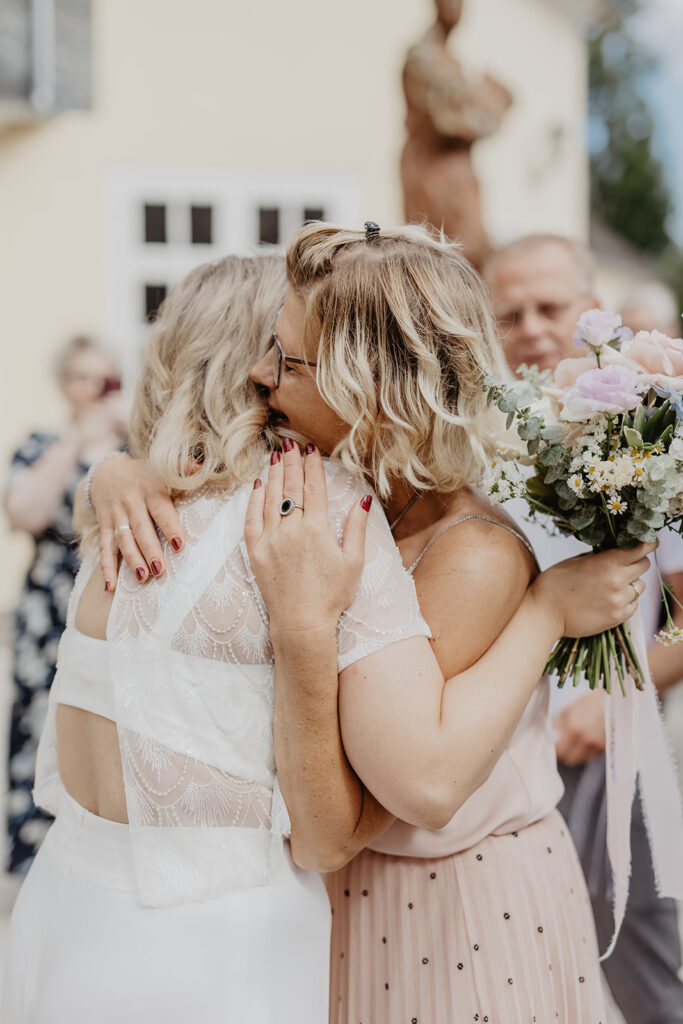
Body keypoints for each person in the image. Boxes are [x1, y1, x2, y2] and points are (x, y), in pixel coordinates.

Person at [85, 223, 654, 1022]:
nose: (259, 375)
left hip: (452, 912)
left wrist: (547, 611)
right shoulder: (335, 497)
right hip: (340, 899)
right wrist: (116, 474)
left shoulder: (472, 555)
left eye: (286, 360)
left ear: (373, 388)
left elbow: (418, 784)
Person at [2, 253, 442, 1024]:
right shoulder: (317, 508)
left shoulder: (120, 510)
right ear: (268, 361)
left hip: (63, 915)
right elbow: (345, 828)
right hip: (216, 942)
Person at [485, 232, 683, 1024]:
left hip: (602, 741)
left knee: (639, 946)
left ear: (593, 309)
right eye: (509, 312)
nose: (531, 327)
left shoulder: (649, 432)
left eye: (550, 306)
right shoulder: (476, 436)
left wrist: (617, 696)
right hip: (492, 748)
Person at [3, 335, 128, 876]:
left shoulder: (133, 447)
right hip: (48, 598)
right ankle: (32, 851)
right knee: (37, 717)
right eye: (81, 377)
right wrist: (75, 442)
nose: (91, 389)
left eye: (103, 378)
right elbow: (23, 513)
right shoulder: (42, 443)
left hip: (110, 594)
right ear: (64, 383)